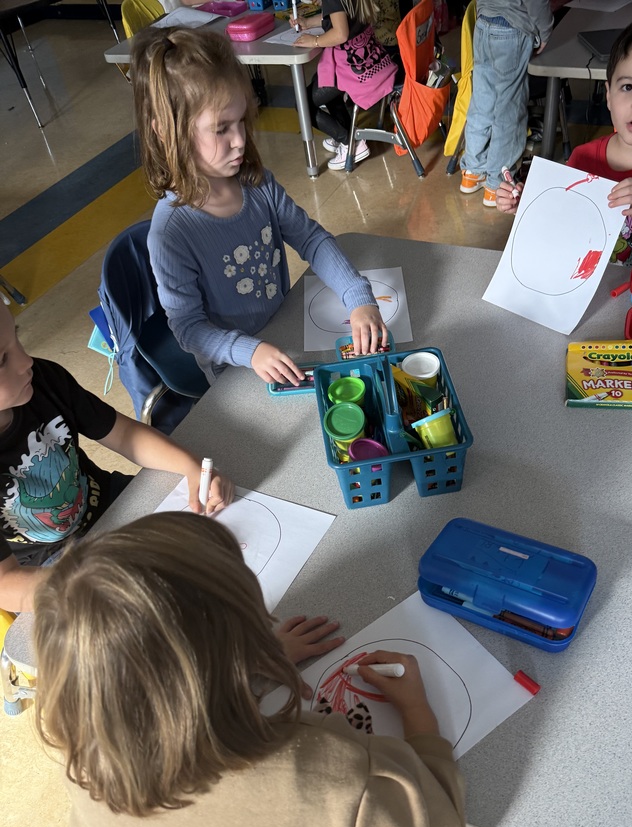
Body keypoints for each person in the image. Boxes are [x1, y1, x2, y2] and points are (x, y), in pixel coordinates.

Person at [33, 511, 466, 827]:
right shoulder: (320, 771)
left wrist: (242, 665)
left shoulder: (89, 755)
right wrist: (419, 716)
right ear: (243, 647)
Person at [133, 29, 388, 387]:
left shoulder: (256, 182)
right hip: (236, 366)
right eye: (221, 129)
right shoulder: (171, 233)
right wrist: (250, 351)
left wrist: (358, 297)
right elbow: (188, 328)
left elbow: (312, 239)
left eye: (242, 122)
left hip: (283, 329)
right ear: (167, 131)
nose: (240, 141)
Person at [0, 303, 233, 613]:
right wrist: (96, 584)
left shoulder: (43, 379)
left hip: (111, 502)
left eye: (16, 337)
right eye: (2, 359)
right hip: (50, 567)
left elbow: (123, 435)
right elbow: (6, 584)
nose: (26, 360)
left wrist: (190, 468)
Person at [497, 16, 632, 265]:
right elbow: (562, 219)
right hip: (586, 279)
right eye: (628, 87)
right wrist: (524, 205)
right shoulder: (583, 157)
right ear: (608, 94)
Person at [459, 0, 553, 209]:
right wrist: (546, 33)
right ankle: (496, 184)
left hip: (483, 24)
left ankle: (472, 171)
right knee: (508, 110)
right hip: (512, 28)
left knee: (482, 101)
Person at [291, 0, 397, 170]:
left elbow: (340, 34)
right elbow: (338, 16)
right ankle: (345, 132)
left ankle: (350, 143)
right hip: (372, 61)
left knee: (303, 104)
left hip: (354, 69)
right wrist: (307, 22)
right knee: (322, 81)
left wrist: (315, 41)